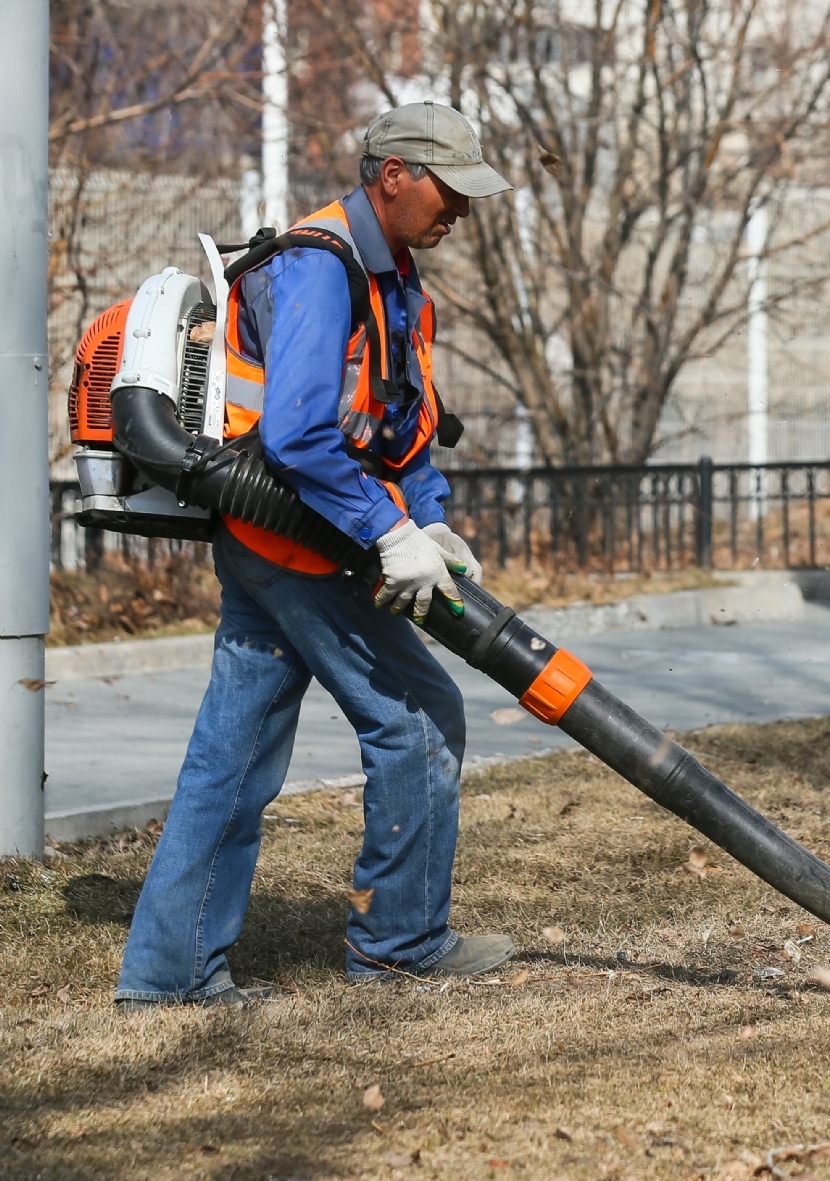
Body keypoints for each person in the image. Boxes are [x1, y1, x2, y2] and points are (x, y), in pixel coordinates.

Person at [116, 103, 516, 1008]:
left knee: (236, 754)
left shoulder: (396, 277)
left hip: (284, 541)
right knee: (417, 716)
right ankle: (400, 943)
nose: (462, 210)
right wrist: (386, 535)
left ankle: (168, 972)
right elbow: (296, 434)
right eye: (449, 189)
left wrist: (429, 523)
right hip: (295, 540)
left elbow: (402, 423)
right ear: (392, 176)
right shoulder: (321, 264)